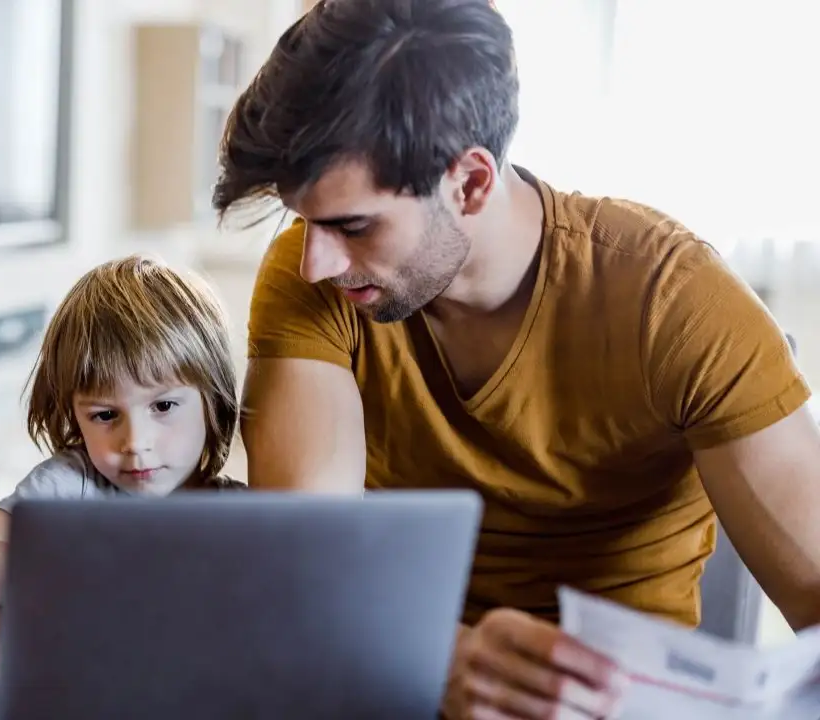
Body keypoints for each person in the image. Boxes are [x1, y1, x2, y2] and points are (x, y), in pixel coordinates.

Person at [214, 1, 820, 718]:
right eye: (304, 221)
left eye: (353, 225)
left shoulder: (674, 300)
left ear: (470, 182)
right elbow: (307, 564)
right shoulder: (315, 279)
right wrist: (439, 657)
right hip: (388, 684)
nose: (316, 261)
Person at [0, 255, 244, 605]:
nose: (136, 443)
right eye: (106, 415)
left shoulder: (239, 513)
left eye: (164, 406)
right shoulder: (73, 484)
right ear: (74, 414)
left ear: (213, 400)